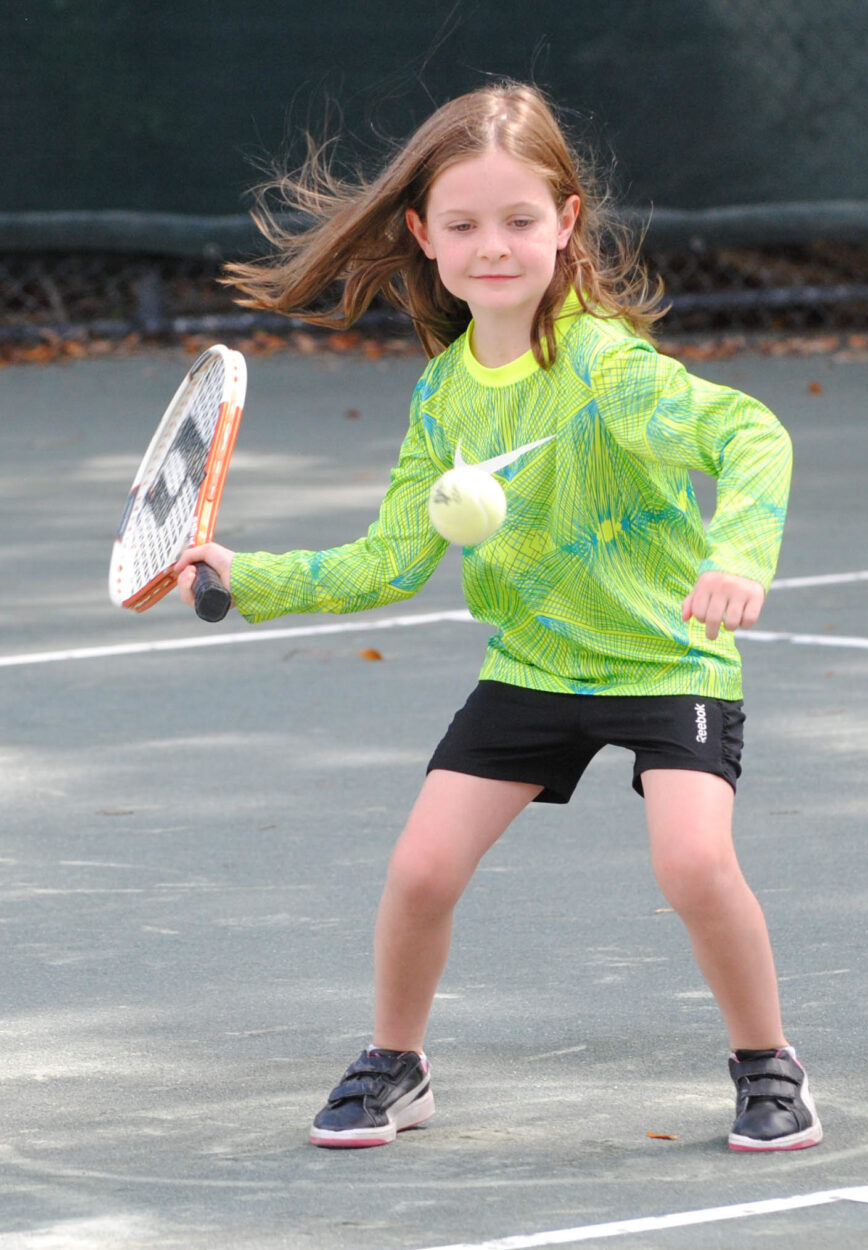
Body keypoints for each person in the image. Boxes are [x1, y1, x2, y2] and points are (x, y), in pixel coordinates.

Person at [175, 81, 821, 1153]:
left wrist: (739, 553)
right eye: (464, 225)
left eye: (519, 220)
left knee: (694, 866)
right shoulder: (443, 397)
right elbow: (391, 558)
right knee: (422, 867)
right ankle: (397, 1059)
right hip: (531, 665)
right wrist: (249, 574)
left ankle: (767, 1060)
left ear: (565, 226)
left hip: (666, 659)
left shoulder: (608, 367)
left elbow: (750, 434)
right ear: (423, 237)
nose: (492, 246)